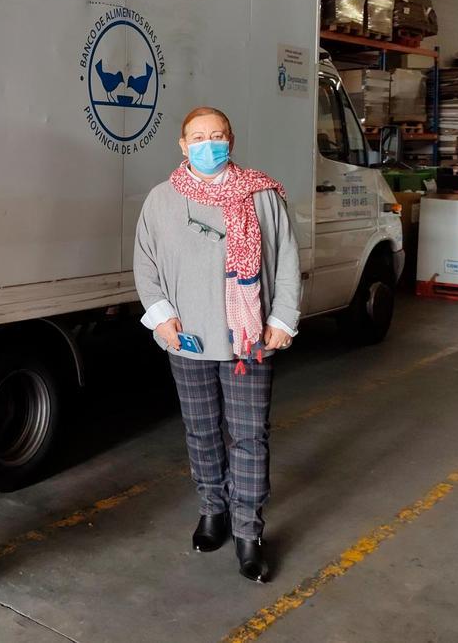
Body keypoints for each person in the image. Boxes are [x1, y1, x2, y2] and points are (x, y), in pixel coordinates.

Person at [133, 106, 300, 583]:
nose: (208, 144)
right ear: (182, 146)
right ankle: (213, 510)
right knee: (202, 431)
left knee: (249, 437)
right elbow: (145, 265)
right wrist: (162, 321)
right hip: (187, 340)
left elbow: (287, 256)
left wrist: (283, 317)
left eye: (217, 135)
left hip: (249, 341)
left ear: (232, 140)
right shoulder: (161, 200)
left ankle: (248, 531)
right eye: (197, 137)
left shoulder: (263, 195)